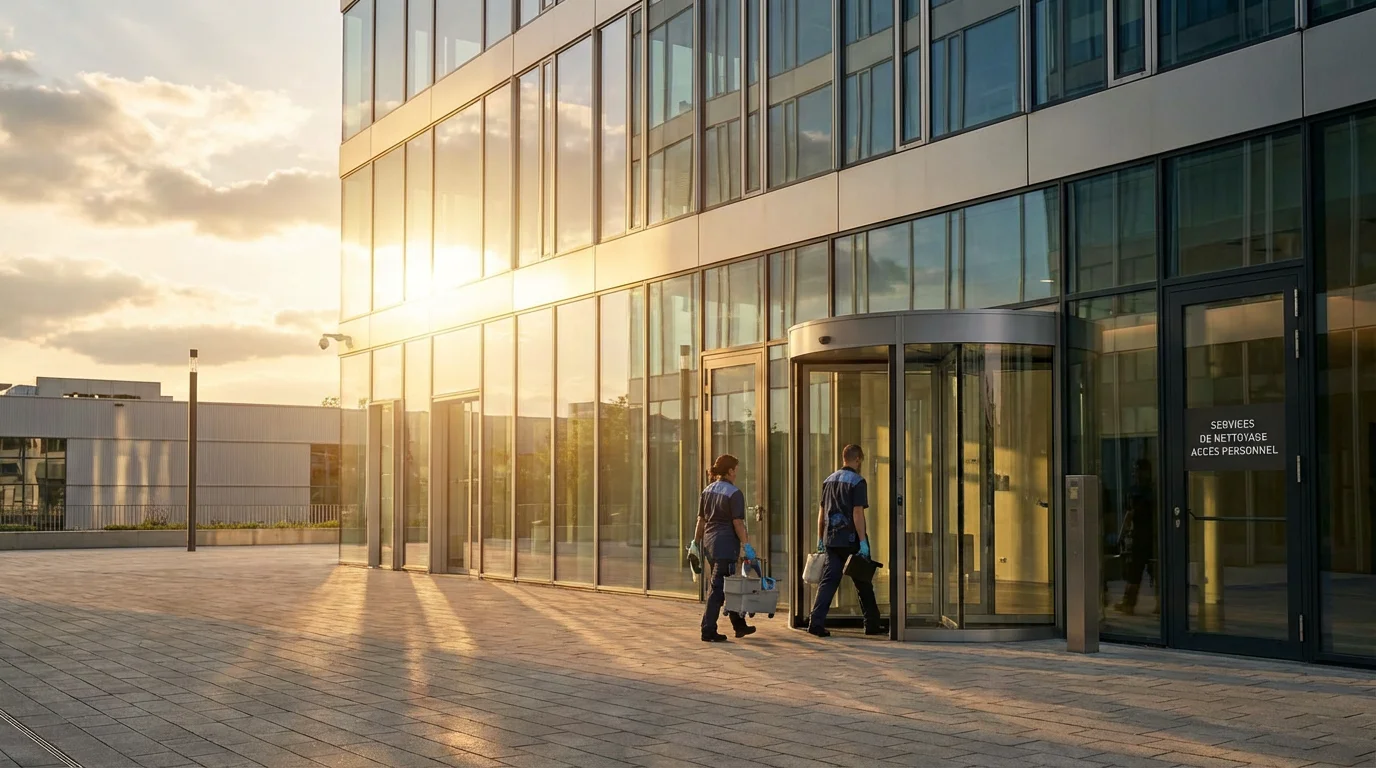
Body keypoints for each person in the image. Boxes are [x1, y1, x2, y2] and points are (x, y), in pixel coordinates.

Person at [809, 444, 883, 637]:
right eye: (861, 461)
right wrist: (863, 541)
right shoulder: (858, 482)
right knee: (863, 581)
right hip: (851, 539)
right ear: (857, 459)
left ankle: (815, 622)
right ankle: (872, 623)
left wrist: (820, 538)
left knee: (829, 581)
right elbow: (857, 513)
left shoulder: (828, 481)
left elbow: (822, 513)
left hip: (831, 539)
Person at [690, 454, 758, 642]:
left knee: (729, 583)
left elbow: (701, 520)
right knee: (718, 587)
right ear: (729, 471)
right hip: (726, 545)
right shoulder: (734, 493)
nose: (736, 473)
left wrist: (696, 542)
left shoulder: (707, 490)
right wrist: (746, 544)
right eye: (735, 469)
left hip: (710, 544)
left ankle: (739, 625)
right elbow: (737, 522)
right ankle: (708, 629)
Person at [1115, 459, 1158, 616]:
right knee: (1147, 569)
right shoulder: (1151, 489)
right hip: (1149, 534)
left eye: (1137, 470)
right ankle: (1132, 603)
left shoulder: (1141, 491)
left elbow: (1130, 514)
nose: (1136, 474)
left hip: (1144, 534)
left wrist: (1124, 531)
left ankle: (1129, 604)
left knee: (1137, 570)